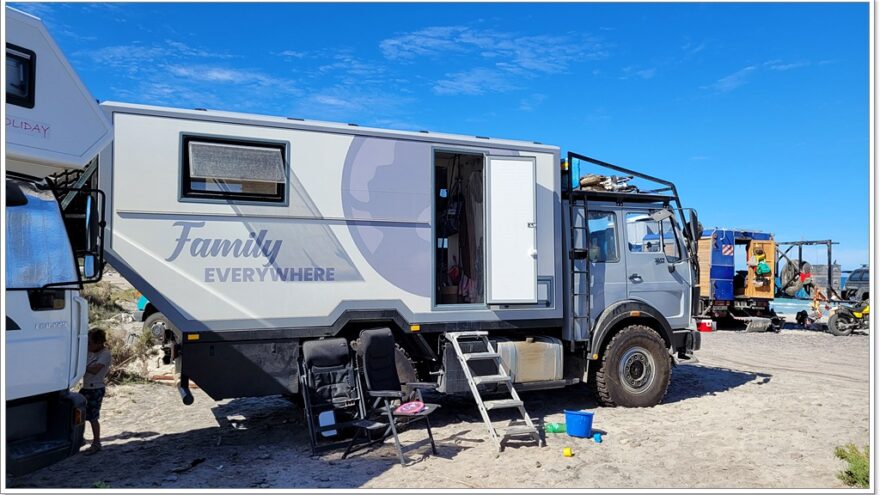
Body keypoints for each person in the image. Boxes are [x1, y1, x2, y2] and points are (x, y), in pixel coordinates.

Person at [80, 328, 111, 455]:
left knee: (93, 417)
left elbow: (95, 370)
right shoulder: (90, 351)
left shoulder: (105, 354)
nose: (88, 346)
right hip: (86, 387)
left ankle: (96, 443)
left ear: (98, 343)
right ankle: (79, 438)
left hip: (96, 388)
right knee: (79, 416)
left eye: (90, 343)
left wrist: (81, 366)